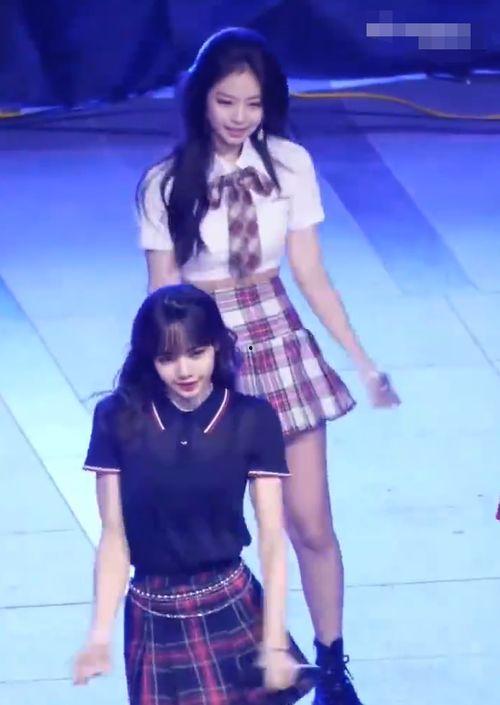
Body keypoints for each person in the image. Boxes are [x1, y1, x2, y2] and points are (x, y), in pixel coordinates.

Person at [137, 27, 401, 705]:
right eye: (226, 101)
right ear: (201, 98)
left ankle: (332, 666)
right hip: (207, 355)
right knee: (220, 534)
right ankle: (242, 661)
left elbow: (310, 272)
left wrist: (361, 360)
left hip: (279, 341)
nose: (239, 116)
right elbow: (163, 296)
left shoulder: (290, 164)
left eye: (253, 103)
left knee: (309, 523)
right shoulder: (165, 183)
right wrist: (157, 388)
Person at [73, 284, 315, 705]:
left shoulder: (252, 419)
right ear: (149, 359)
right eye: (167, 358)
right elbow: (114, 536)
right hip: (153, 613)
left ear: (217, 346)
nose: (184, 370)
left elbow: (273, 541)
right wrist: (98, 635)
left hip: (230, 603)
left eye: (196, 353)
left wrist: (275, 642)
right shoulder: (117, 418)